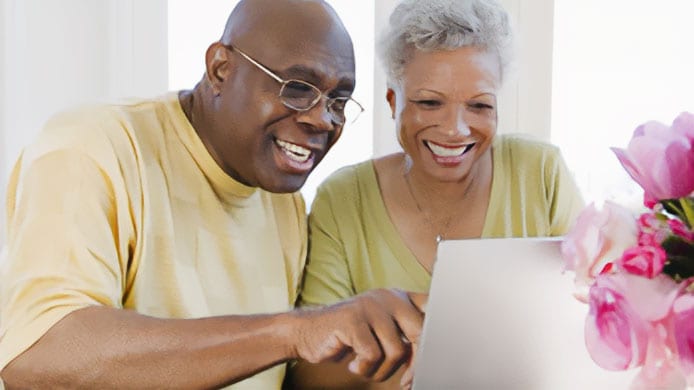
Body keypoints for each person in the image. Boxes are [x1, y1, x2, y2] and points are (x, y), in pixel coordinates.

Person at [0, 1, 427, 389]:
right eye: (297, 87)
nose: (322, 119)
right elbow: (38, 356)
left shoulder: (283, 201)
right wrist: (294, 330)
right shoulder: (92, 148)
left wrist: (400, 345)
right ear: (220, 68)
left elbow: (282, 363)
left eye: (338, 100)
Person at [289, 0, 585, 387]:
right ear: (393, 102)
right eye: (429, 102)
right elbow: (312, 378)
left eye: (479, 105)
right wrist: (413, 346)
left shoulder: (541, 173)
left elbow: (594, 319)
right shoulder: (344, 199)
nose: (455, 130)